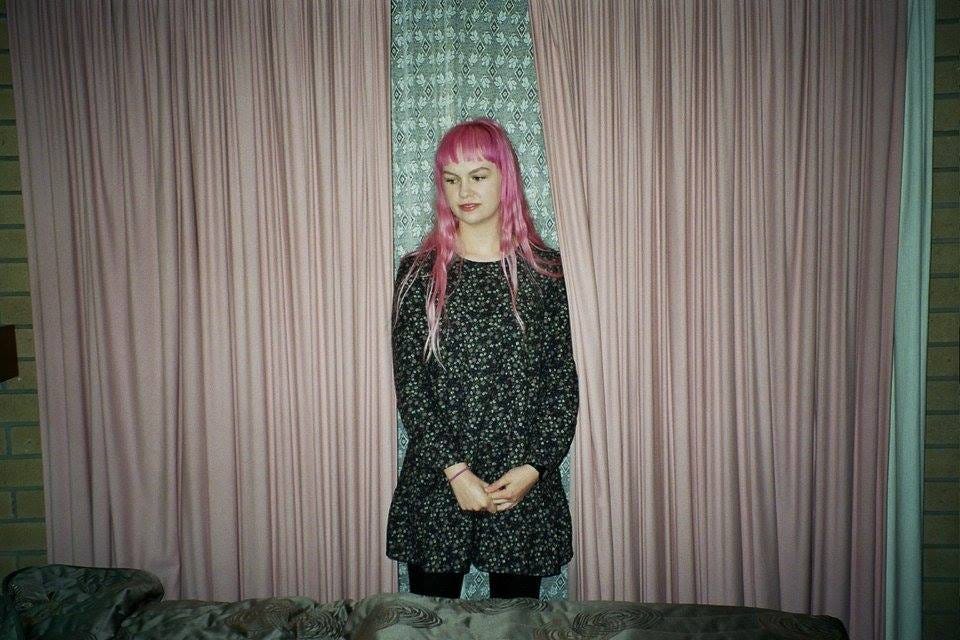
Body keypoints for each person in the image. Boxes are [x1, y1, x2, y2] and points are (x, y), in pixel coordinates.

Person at [385, 117, 580, 600]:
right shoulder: (418, 274)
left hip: (521, 482)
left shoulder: (545, 272)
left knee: (515, 627)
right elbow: (411, 387)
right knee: (427, 630)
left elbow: (561, 385)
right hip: (437, 479)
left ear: (505, 178)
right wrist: (456, 472)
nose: (463, 190)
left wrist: (534, 468)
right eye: (451, 179)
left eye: (478, 175)